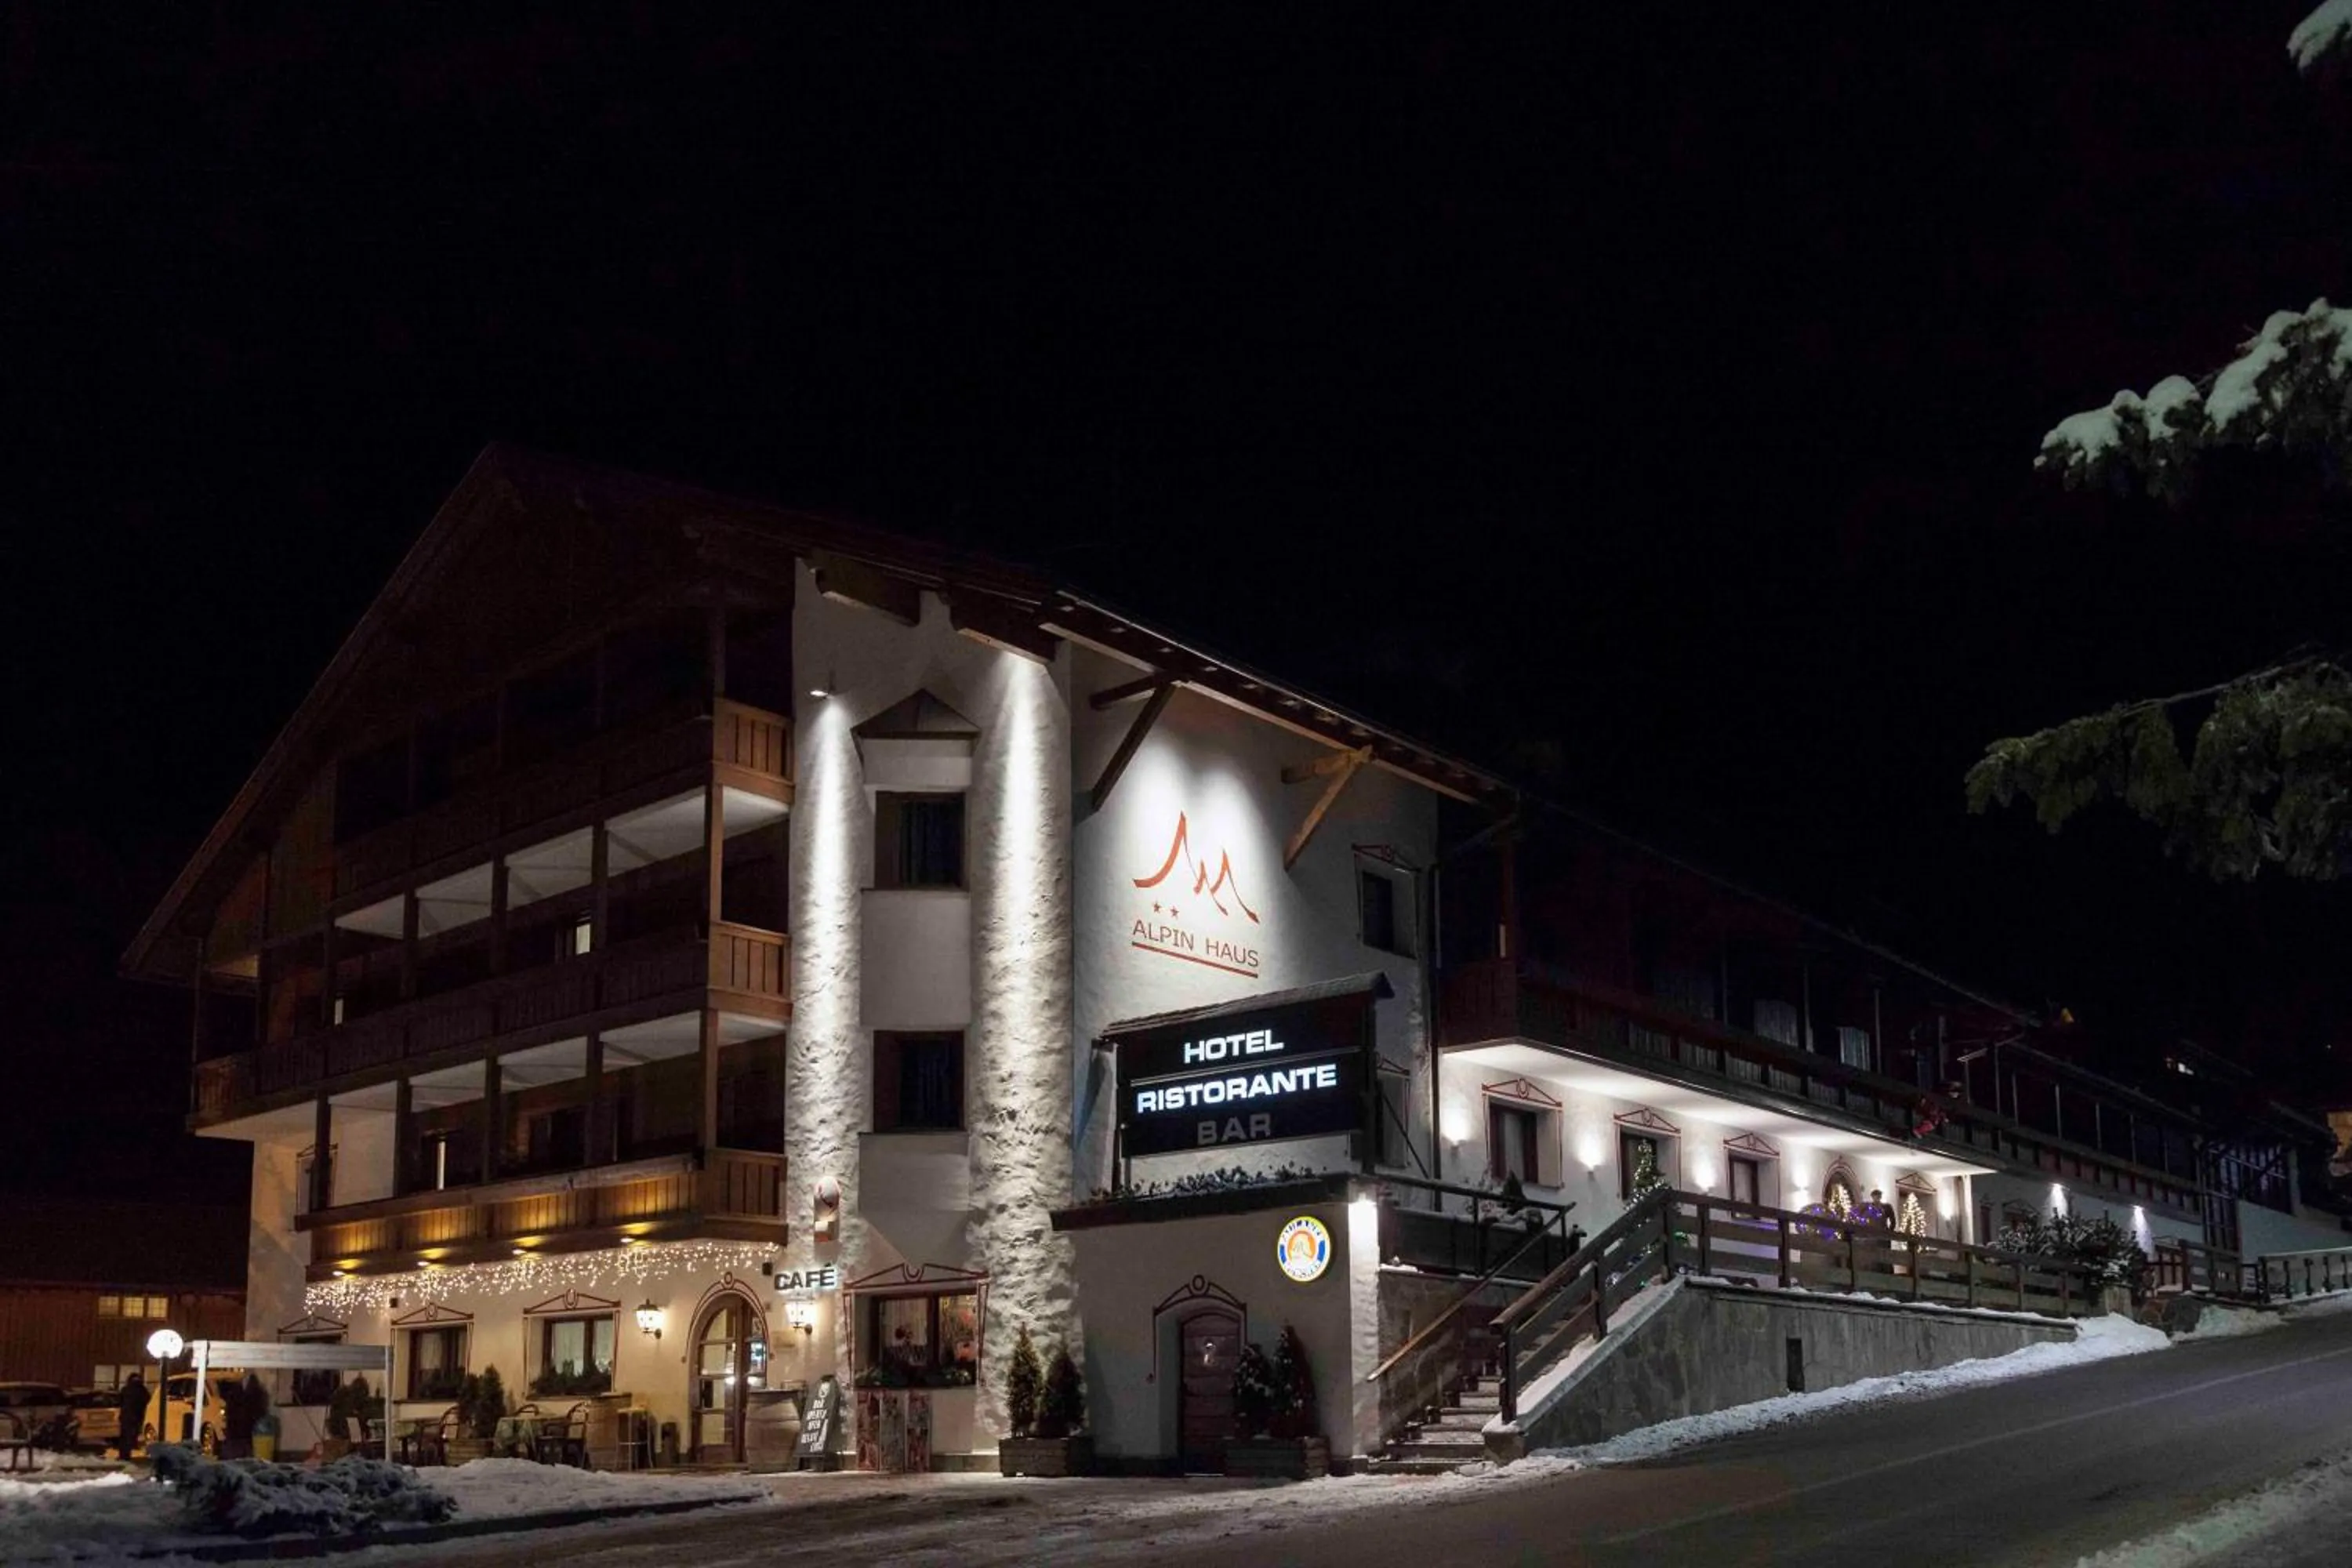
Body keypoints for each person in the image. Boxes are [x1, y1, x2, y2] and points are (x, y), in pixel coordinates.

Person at [114, 1370, 150, 1461]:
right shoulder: (142, 1390)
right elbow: (147, 1400)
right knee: (132, 1436)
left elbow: (119, 1401)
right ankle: (128, 1452)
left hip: (126, 1416)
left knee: (124, 1437)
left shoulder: (126, 1389)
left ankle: (124, 1455)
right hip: (137, 1416)